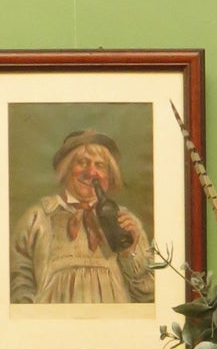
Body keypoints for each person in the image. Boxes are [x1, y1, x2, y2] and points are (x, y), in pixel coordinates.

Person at [9, 130, 154, 305]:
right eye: (82, 163)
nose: (91, 172)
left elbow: (148, 295)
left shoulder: (126, 221)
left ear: (110, 175)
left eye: (100, 165)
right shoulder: (37, 217)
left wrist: (128, 254)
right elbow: (18, 283)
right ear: (66, 169)